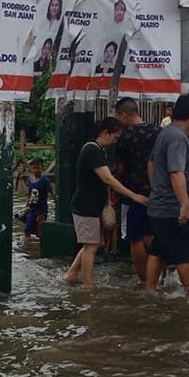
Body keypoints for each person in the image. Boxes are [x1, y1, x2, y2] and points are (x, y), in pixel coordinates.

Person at [65, 117, 148, 289]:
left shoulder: (96, 150)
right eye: (115, 136)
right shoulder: (92, 151)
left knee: (92, 243)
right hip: (85, 206)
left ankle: (72, 274)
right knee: (91, 246)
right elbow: (108, 179)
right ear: (105, 133)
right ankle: (88, 286)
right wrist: (133, 195)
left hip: (91, 205)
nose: (116, 140)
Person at [146, 94, 189, 296]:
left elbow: (151, 163)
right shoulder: (177, 137)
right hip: (173, 209)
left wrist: (157, 190)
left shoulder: (166, 133)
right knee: (185, 253)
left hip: (160, 206)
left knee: (158, 250)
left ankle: (150, 291)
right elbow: (176, 172)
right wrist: (184, 204)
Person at [113, 97, 160, 281]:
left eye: (118, 116)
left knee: (135, 238)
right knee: (151, 234)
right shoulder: (158, 131)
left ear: (124, 114)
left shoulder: (125, 135)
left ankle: (144, 279)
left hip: (132, 194)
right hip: (157, 193)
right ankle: (158, 273)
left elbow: (120, 167)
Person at [16, 159, 54, 239]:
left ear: (42, 168)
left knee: (39, 228)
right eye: (33, 168)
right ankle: (28, 244)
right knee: (27, 228)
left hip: (41, 209)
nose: (36, 170)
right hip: (32, 209)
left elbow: (51, 192)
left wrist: (56, 201)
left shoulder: (45, 181)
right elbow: (29, 194)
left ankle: (39, 245)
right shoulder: (30, 180)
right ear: (31, 169)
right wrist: (26, 206)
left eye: (38, 168)